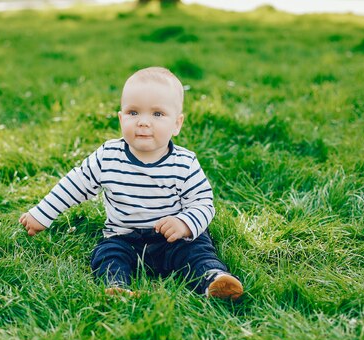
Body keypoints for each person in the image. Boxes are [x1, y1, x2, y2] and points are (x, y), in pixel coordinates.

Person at [19, 67, 243, 300]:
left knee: (197, 250)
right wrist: (41, 214)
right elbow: (74, 185)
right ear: (121, 118)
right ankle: (117, 285)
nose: (143, 122)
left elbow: (203, 203)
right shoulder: (107, 157)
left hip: (173, 239)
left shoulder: (184, 163)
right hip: (125, 237)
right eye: (133, 112)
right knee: (108, 255)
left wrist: (184, 223)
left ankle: (214, 279)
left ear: (177, 124)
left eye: (157, 114)